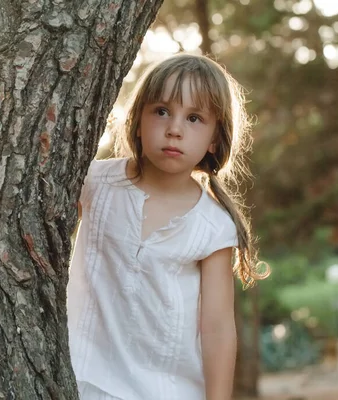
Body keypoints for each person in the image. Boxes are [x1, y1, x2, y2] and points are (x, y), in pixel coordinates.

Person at [67, 53, 269, 400]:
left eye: (194, 118)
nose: (174, 128)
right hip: (84, 377)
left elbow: (218, 327)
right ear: (138, 120)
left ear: (214, 139)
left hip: (165, 390)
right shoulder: (96, 182)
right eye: (161, 111)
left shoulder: (212, 225)